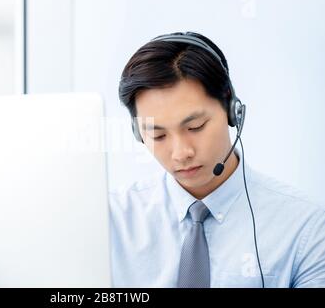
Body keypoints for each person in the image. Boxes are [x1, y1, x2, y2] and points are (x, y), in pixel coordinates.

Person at [109, 31, 325, 288]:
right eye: (158, 135)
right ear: (138, 134)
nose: (181, 153)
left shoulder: (305, 227)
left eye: (196, 127)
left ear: (232, 110)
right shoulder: (110, 220)